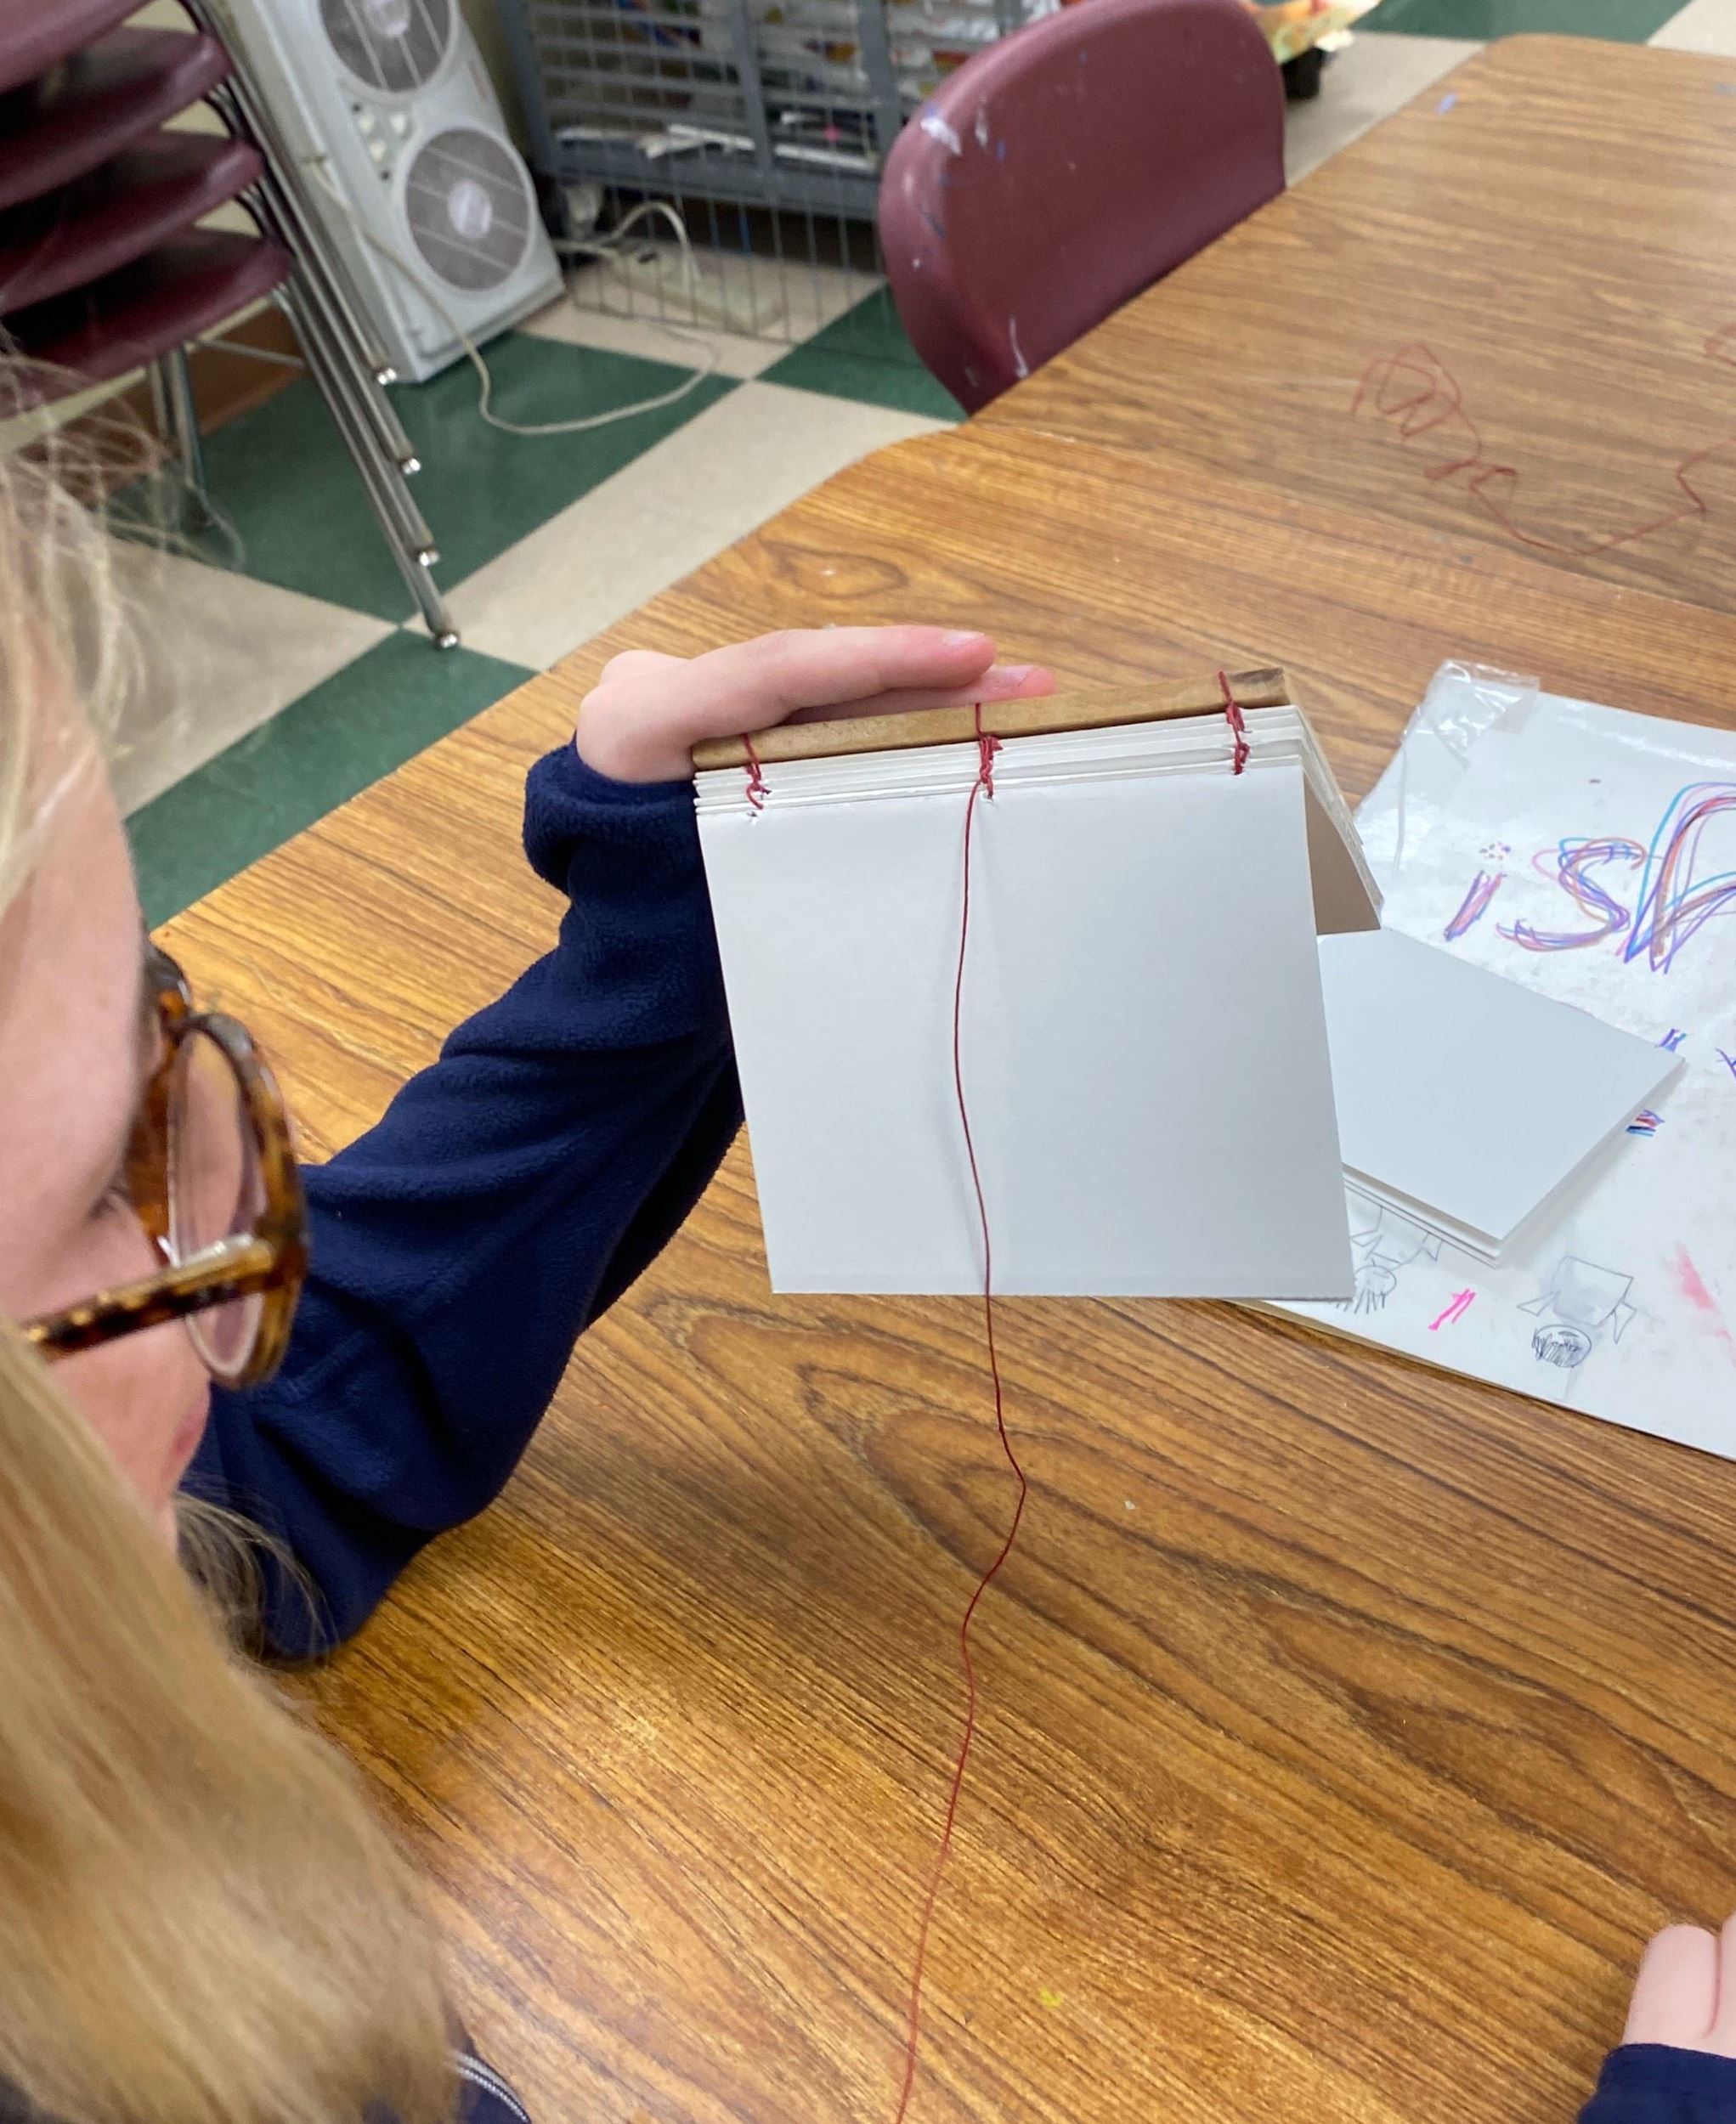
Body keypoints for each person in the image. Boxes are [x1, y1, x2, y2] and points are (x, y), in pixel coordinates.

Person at [0, 412, 1728, 2124]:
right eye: (88, 1202)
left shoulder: (90, 1490)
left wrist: (671, 912)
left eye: (155, 1048)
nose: (233, 1281)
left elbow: (281, 1445)